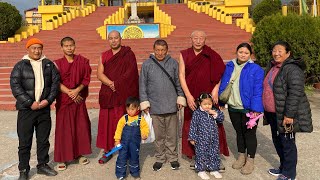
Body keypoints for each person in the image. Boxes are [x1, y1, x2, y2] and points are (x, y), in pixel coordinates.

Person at [10, 38, 60, 180]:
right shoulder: (20, 66)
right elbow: (15, 86)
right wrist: (29, 102)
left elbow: (55, 85)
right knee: (24, 141)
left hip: (44, 109)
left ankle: (42, 165)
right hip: (27, 110)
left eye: (39, 48)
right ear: (28, 49)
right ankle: (24, 170)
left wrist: (48, 100)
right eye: (34, 48)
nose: (37, 51)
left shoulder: (49, 65)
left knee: (43, 140)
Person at [178, 30, 229, 170]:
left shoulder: (211, 54)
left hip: (209, 95)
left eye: (201, 38)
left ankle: (215, 157)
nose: (198, 41)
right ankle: (195, 155)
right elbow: (181, 75)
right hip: (192, 94)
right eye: (195, 38)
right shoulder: (184, 54)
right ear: (191, 39)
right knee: (192, 124)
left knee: (214, 124)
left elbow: (220, 73)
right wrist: (188, 95)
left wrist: (216, 89)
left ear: (205, 39)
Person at [263, 41, 313, 180]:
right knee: (278, 141)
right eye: (274, 50)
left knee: (288, 143)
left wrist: (289, 115)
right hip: (273, 113)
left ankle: (289, 174)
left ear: (288, 53)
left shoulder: (292, 69)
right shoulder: (273, 67)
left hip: (286, 115)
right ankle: (283, 167)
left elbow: (295, 93)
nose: (276, 53)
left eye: (280, 51)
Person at [139, 39, 186, 171]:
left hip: (171, 105)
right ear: (154, 50)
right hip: (154, 106)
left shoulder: (173, 63)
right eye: (157, 50)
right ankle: (160, 157)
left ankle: (172, 157)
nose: (160, 53)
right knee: (158, 135)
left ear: (167, 50)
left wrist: (180, 98)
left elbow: (178, 82)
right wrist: (145, 102)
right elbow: (142, 85)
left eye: (162, 50)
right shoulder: (147, 65)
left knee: (171, 134)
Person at [218, 43, 264, 175]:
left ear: (250, 55)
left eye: (246, 53)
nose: (243, 55)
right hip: (234, 107)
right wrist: (222, 100)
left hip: (249, 108)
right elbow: (224, 84)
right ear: (236, 52)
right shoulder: (230, 66)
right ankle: (241, 156)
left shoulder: (256, 69)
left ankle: (250, 160)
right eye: (240, 52)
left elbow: (258, 90)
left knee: (249, 134)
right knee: (239, 132)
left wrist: (256, 108)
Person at [96, 30, 139, 164]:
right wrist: (111, 83)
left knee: (123, 122)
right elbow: (99, 73)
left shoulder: (128, 54)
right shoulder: (104, 55)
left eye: (116, 38)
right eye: (111, 38)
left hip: (123, 94)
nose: (113, 40)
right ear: (108, 40)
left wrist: (118, 84)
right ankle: (107, 150)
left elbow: (131, 72)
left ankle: (124, 149)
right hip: (108, 93)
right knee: (107, 124)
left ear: (120, 39)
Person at [54, 37, 92, 171]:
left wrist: (77, 90)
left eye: (71, 45)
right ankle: (62, 157)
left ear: (75, 46)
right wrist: (70, 92)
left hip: (78, 98)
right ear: (62, 48)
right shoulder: (57, 64)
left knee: (79, 127)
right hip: (64, 99)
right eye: (66, 46)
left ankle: (78, 154)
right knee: (63, 129)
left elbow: (86, 78)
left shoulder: (82, 62)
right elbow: (56, 81)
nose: (69, 48)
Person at [189, 93, 223, 180]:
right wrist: (192, 138)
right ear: (200, 103)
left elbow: (221, 118)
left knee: (214, 153)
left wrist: (215, 114)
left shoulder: (214, 111)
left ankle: (213, 169)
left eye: (209, 104)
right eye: (205, 104)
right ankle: (201, 170)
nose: (207, 106)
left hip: (213, 138)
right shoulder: (197, 113)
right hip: (201, 139)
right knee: (201, 154)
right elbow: (193, 126)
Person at [114, 97, 149, 180]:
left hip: (135, 144)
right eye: (128, 109)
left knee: (134, 157)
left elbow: (145, 128)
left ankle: (135, 173)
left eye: (132, 109)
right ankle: (120, 175)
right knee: (122, 157)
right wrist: (117, 140)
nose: (130, 111)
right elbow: (118, 129)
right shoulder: (124, 118)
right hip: (124, 143)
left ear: (138, 108)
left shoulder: (140, 119)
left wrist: (144, 134)